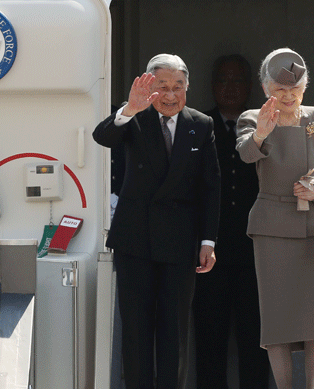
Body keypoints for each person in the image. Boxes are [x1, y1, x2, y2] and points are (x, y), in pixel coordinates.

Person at [93, 53, 221, 389]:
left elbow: (211, 187)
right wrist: (129, 109)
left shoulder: (200, 124)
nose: (170, 94)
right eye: (162, 86)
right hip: (135, 239)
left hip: (180, 242)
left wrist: (208, 241)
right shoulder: (135, 116)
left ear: (187, 88)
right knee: (135, 330)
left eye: (178, 86)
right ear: (150, 87)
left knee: (174, 332)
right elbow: (102, 137)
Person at [235, 48, 314, 389]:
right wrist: (262, 132)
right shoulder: (253, 116)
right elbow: (245, 152)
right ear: (265, 87)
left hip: (313, 231)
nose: (287, 97)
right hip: (272, 231)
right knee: (278, 325)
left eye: (294, 91)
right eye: (279, 90)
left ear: (305, 89)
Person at [193, 54, 270, 389]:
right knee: (209, 335)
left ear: (250, 86)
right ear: (212, 85)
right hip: (211, 249)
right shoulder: (199, 125)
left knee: (256, 335)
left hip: (255, 249)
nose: (229, 87)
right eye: (223, 80)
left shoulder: (264, 125)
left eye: (237, 80)